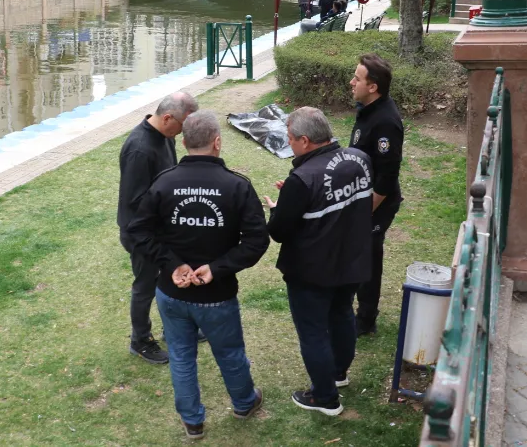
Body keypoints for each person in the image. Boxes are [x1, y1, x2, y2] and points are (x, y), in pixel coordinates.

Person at [127, 111, 269, 440]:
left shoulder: (163, 183)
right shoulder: (237, 186)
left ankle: (193, 421)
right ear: (217, 142)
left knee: (180, 355)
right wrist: (216, 269)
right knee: (229, 352)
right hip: (215, 295)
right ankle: (244, 402)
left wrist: (172, 264)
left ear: (184, 142)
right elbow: (256, 241)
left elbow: (139, 232)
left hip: (172, 292)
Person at [263, 107, 373, 416]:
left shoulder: (302, 177)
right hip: (352, 260)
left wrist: (278, 207)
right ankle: (338, 373)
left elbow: (279, 231)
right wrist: (296, 199)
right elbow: (337, 197)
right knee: (341, 314)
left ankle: (324, 398)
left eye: (290, 139)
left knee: (313, 332)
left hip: (312, 270)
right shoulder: (359, 159)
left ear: (305, 140)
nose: (289, 144)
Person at [118, 92, 199, 364]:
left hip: (163, 228)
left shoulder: (167, 136)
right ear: (167, 118)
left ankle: (173, 328)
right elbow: (135, 201)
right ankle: (139, 340)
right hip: (141, 233)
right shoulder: (139, 148)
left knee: (168, 278)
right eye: (183, 126)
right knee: (145, 286)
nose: (185, 134)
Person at [348, 54, 404, 336]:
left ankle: (366, 318)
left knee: (369, 255)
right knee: (356, 251)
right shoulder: (367, 110)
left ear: (373, 87)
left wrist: (366, 209)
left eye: (357, 79)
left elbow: (387, 176)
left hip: (377, 203)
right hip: (360, 199)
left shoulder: (385, 123)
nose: (352, 82)